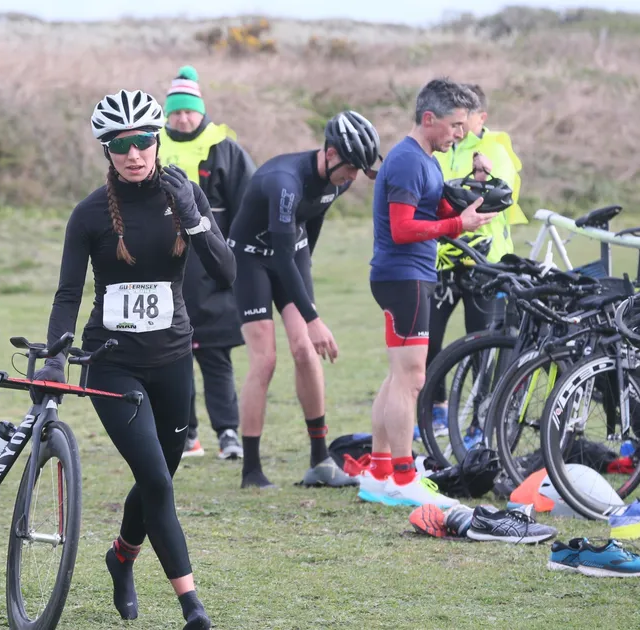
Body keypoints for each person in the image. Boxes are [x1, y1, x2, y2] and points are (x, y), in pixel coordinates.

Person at [32, 88, 235, 630]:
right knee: (158, 481)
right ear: (107, 151)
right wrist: (55, 357)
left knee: (158, 477)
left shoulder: (182, 195)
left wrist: (195, 219)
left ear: (157, 139)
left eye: (144, 140)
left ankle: (121, 558)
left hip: (173, 361)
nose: (135, 153)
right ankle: (191, 604)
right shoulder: (90, 214)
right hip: (111, 364)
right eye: (121, 145)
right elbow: (68, 295)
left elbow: (226, 272)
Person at [360, 77, 498, 508]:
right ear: (428, 118)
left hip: (404, 276)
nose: (460, 133)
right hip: (405, 277)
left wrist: (473, 192)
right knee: (412, 378)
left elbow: (434, 205)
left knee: (398, 375)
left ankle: (380, 472)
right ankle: (403, 478)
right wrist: (460, 226)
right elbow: (403, 228)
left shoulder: (424, 159)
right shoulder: (406, 161)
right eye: (455, 125)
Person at [225, 110, 381, 490]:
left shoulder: (337, 181)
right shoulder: (285, 182)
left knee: (306, 352)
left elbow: (310, 229)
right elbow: (277, 258)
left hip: (288, 253)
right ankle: (252, 470)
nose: (354, 178)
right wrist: (313, 316)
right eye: (350, 168)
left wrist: (305, 292)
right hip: (249, 260)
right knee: (265, 360)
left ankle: (319, 461)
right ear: (330, 154)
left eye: (360, 170)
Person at [158, 64, 254, 461]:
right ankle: (186, 434)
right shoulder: (151, 146)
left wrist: (231, 257)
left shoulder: (226, 149)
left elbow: (248, 209)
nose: (182, 118)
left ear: (201, 111)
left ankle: (228, 432)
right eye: (175, 111)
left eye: (188, 110)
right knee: (173, 356)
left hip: (213, 270)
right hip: (165, 272)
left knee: (215, 356)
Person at [423, 82, 527, 444]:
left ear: (479, 117)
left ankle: (478, 422)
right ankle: (436, 409)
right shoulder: (442, 145)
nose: (461, 126)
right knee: (427, 339)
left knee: (478, 346)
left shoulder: (494, 147)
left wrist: (471, 183)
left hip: (485, 262)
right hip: (440, 259)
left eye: (466, 118)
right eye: (457, 119)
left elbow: (491, 195)